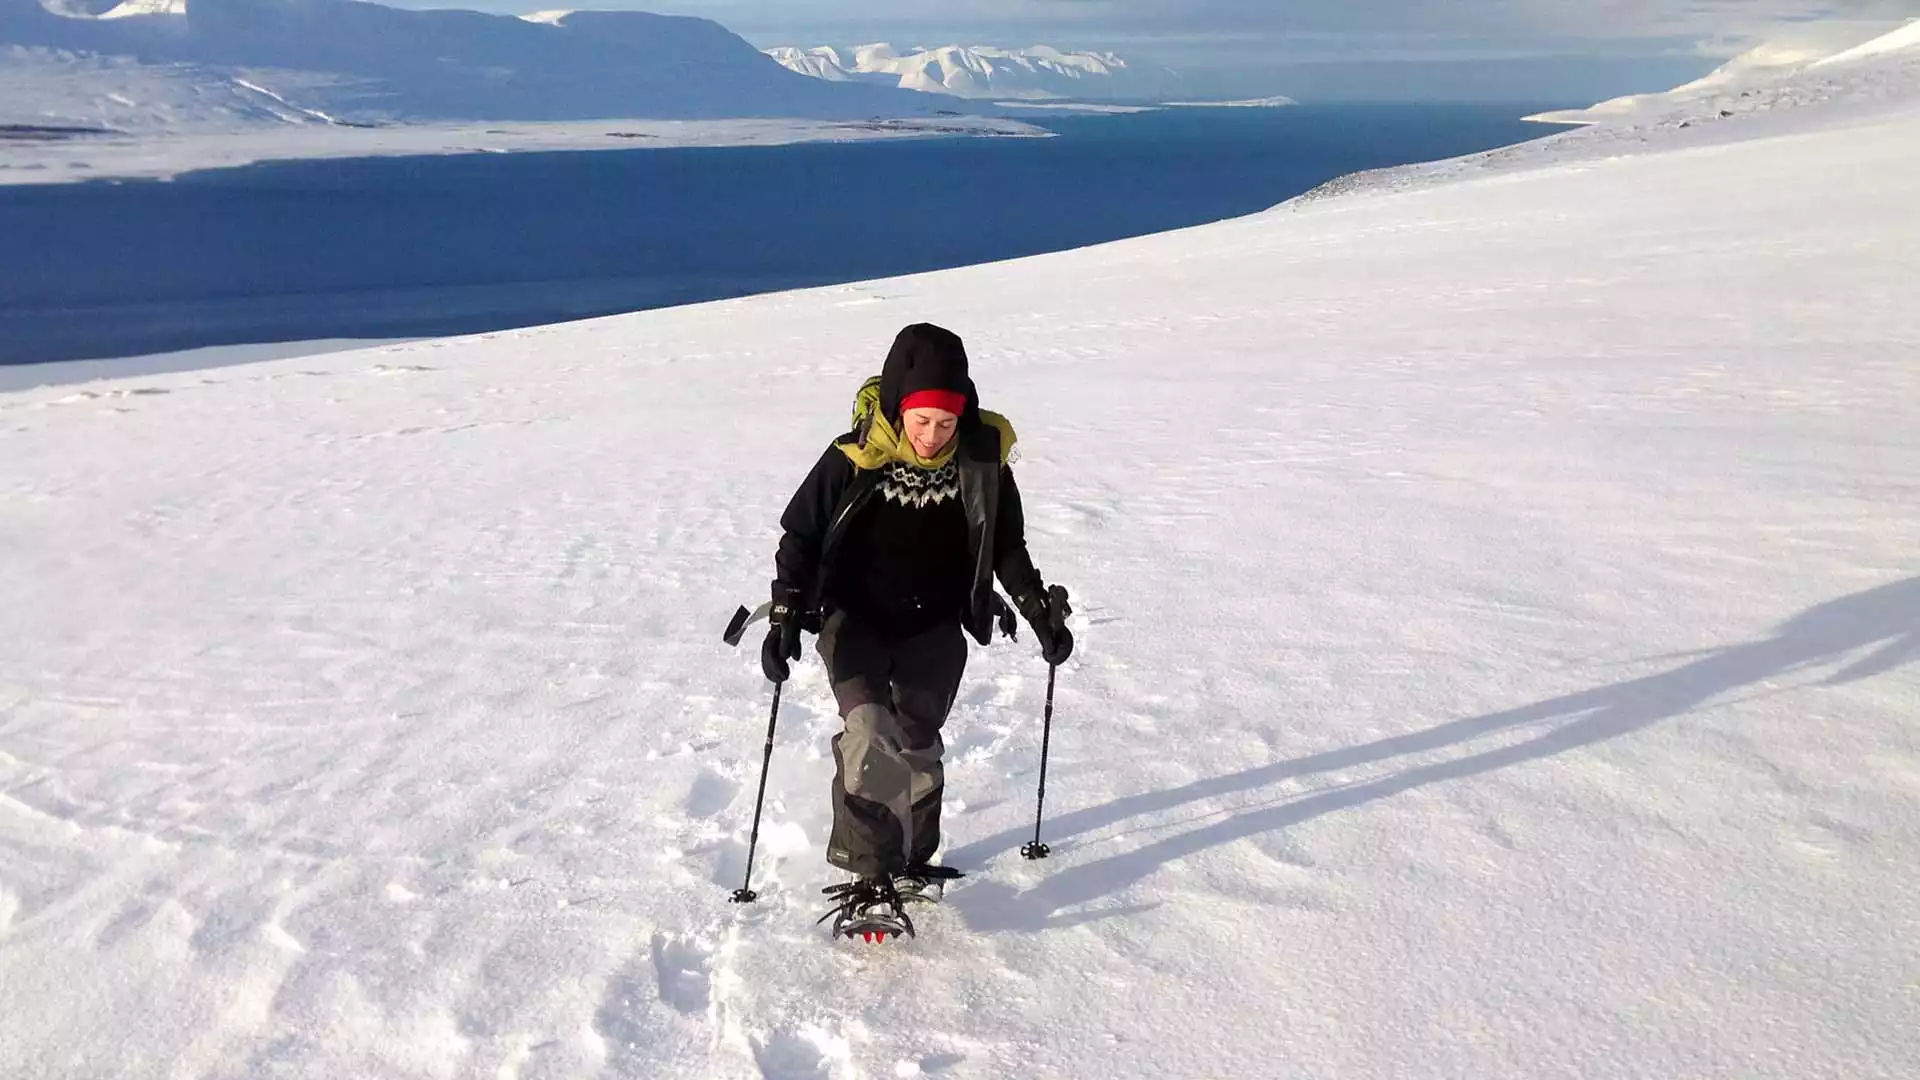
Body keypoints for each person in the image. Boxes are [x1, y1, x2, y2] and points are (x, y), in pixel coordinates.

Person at [762, 322, 1073, 931]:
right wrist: (785, 617)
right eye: (922, 421)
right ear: (899, 407)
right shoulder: (852, 457)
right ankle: (871, 873)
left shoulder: (981, 465)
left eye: (947, 423)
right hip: (855, 618)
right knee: (870, 729)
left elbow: (1006, 545)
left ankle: (910, 858)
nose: (933, 437)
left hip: (933, 621)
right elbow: (799, 537)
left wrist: (1038, 610)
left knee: (919, 738)